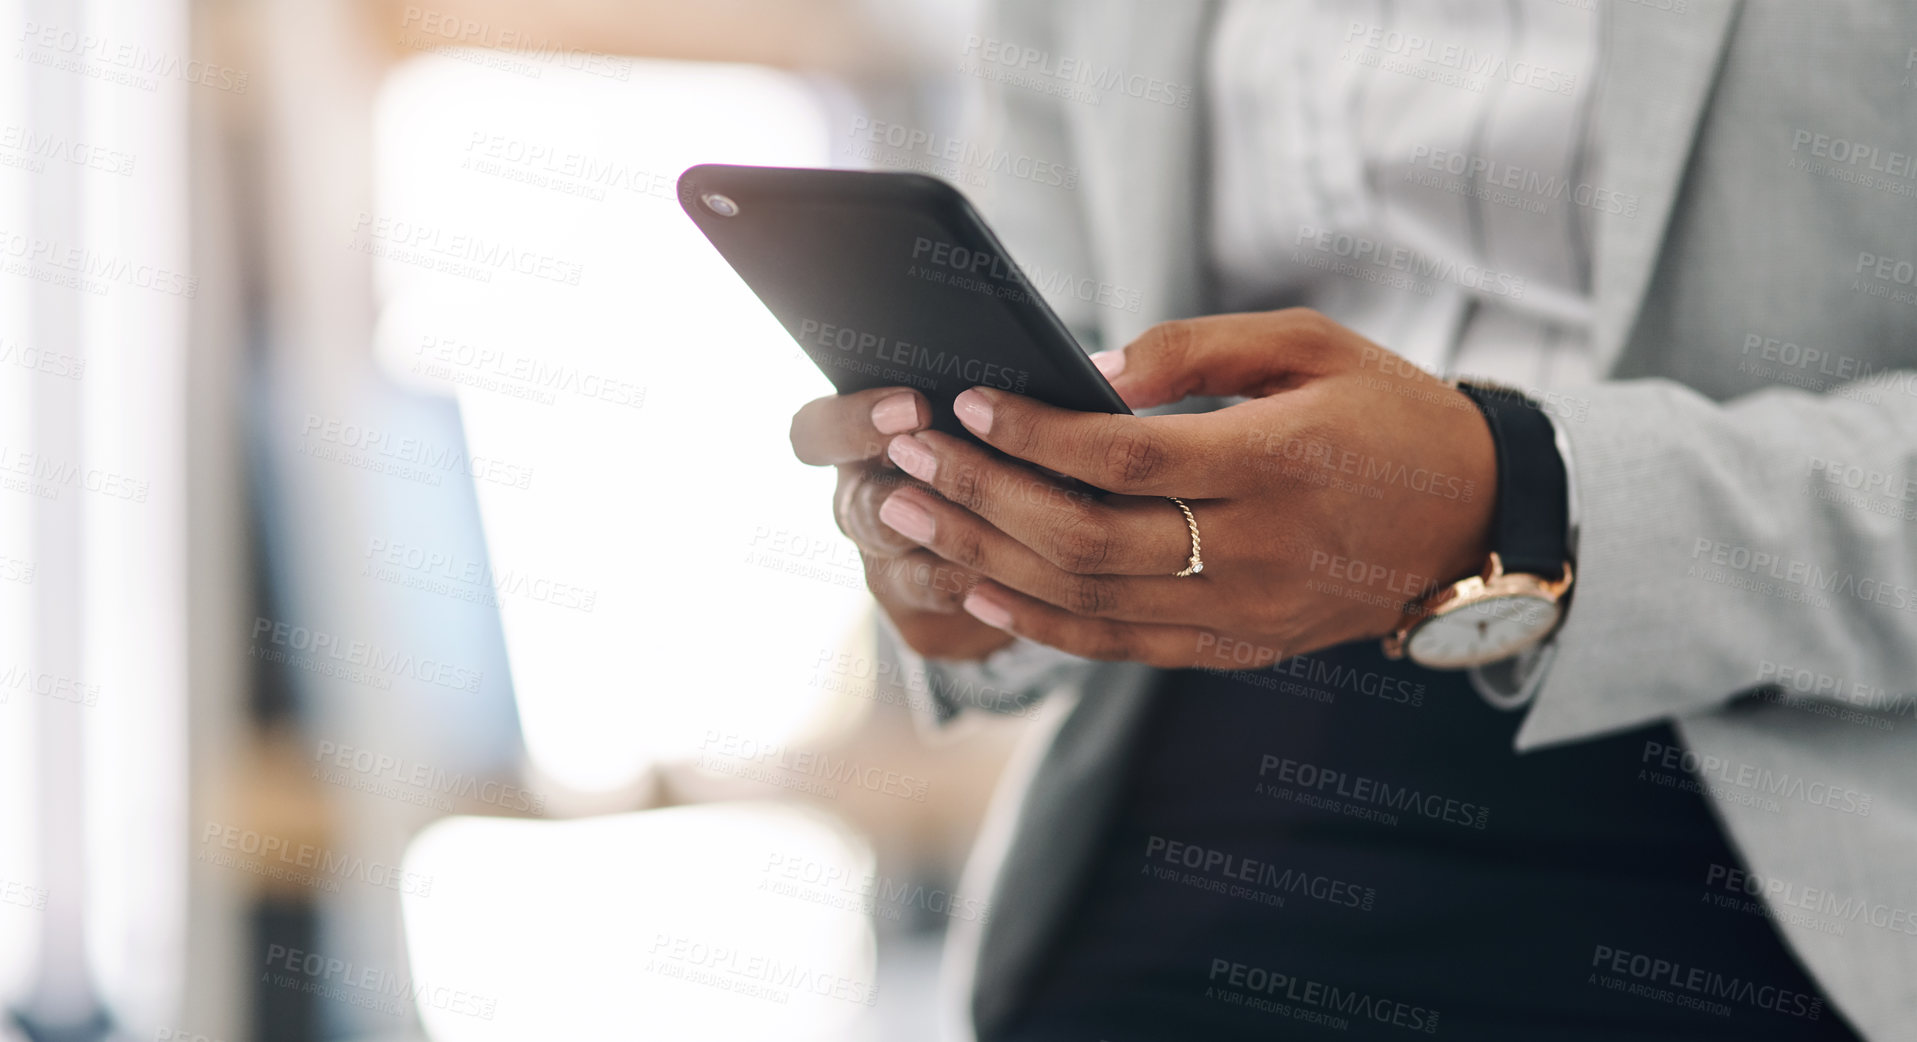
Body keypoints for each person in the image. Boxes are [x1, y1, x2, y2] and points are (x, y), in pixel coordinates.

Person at [789, 1, 1917, 1037]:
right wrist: (980, 552)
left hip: (1785, 866)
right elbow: (1063, 326)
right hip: (1177, 830)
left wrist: (1521, 493)